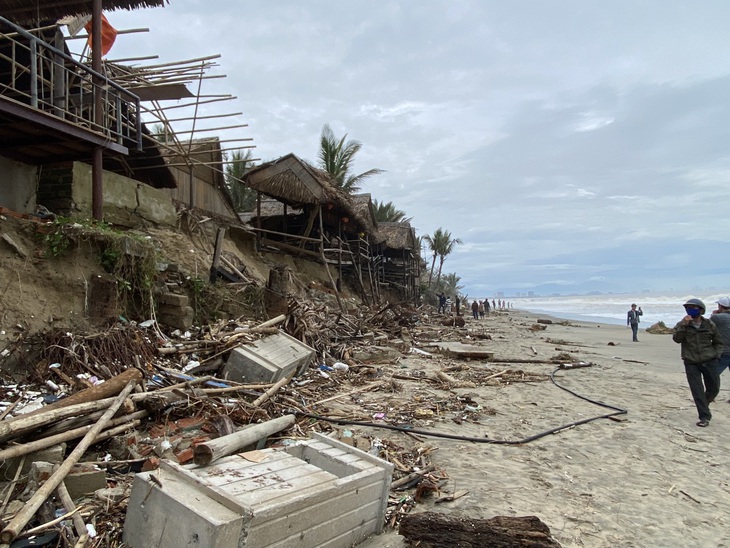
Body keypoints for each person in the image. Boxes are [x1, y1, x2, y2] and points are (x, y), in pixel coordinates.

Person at [672, 298, 723, 427]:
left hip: (709, 360)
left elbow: (718, 342)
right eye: (688, 308)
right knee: (697, 390)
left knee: (714, 388)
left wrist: (716, 355)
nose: (690, 310)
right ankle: (704, 416)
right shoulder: (682, 324)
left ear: (700, 310)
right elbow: (677, 339)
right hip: (691, 362)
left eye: (693, 308)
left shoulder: (709, 324)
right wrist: (683, 325)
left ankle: (703, 405)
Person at [710, 297, 730, 379]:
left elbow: (707, 327)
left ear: (720, 306)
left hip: (723, 351)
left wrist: (713, 315)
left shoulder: (717, 317)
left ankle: (712, 391)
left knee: (712, 376)